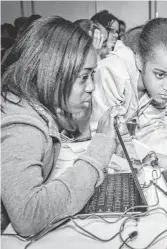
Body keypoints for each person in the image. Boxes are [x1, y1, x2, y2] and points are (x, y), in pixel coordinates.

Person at [1, 17, 122, 235]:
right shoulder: (22, 125)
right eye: (84, 76)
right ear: (52, 73)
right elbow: (29, 217)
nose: (92, 86)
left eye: (92, 75)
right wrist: (99, 150)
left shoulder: (32, 104)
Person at [90, 18, 167, 162]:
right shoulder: (112, 73)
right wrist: (166, 161)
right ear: (139, 61)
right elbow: (102, 141)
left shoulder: (156, 84)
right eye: (160, 74)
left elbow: (150, 129)